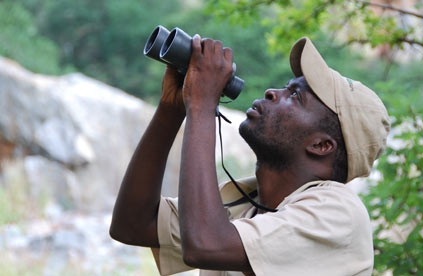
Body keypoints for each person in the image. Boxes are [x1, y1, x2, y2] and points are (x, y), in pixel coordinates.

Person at [110, 33, 390, 276]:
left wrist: (202, 104)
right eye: (285, 86)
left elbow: (206, 244)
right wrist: (171, 109)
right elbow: (133, 225)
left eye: (295, 96)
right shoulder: (248, 203)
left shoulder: (338, 213)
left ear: (321, 145)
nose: (272, 93)